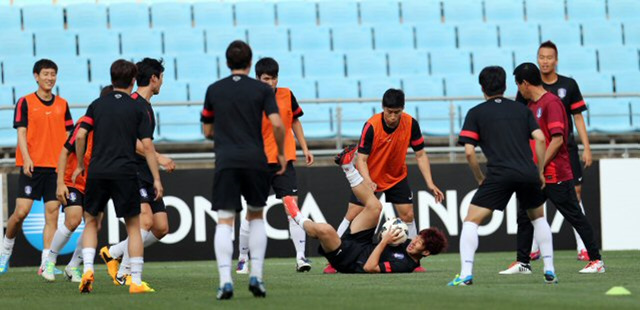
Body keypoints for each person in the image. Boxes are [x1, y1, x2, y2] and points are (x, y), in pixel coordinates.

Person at [448, 66, 557, 286]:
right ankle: (550, 269)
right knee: (538, 218)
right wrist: (540, 172)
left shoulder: (476, 113)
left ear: (482, 87)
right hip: (527, 172)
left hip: (499, 174)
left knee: (471, 220)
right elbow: (541, 139)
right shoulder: (522, 110)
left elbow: (469, 151)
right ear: (505, 85)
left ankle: (466, 273)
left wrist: (480, 177)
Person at [200, 41, 286, 300]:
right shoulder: (261, 90)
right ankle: (256, 277)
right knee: (256, 216)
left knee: (225, 220)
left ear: (227, 63)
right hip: (255, 159)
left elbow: (207, 131)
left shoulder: (214, 90)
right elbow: (277, 123)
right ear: (250, 64)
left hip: (226, 160)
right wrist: (281, 152)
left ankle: (225, 280)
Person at [325, 88, 444, 274]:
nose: (393, 117)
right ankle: (334, 260)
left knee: (408, 215)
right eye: (389, 112)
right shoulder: (371, 126)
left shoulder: (411, 123)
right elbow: (361, 159)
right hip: (370, 175)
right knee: (352, 214)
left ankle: (413, 261)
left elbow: (420, 155)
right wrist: (368, 180)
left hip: (397, 176)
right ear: (383, 108)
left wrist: (430, 182)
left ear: (402, 109)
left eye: (397, 112)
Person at [501, 63, 604, 275]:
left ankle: (596, 260)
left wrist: (539, 166)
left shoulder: (552, 103)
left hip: (554, 172)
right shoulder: (530, 106)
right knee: (524, 216)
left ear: (525, 83)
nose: (518, 90)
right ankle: (523, 263)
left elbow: (558, 140)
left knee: (574, 215)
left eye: (518, 85)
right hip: (535, 174)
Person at [72, 59, 163, 294]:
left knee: (91, 222)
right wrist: (156, 178)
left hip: (98, 171)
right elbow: (147, 146)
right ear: (133, 80)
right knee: (135, 228)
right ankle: (135, 282)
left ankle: (89, 269)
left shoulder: (97, 105)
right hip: (125, 172)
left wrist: (81, 164)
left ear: (111, 79)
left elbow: (81, 135)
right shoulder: (137, 107)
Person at [284, 145, 448, 274]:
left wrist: (384, 241)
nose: (414, 242)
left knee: (325, 230)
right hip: (362, 243)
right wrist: (387, 231)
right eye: (417, 237)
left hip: (348, 260)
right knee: (376, 206)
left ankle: (296, 215)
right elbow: (383, 236)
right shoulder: (406, 242)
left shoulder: (404, 264)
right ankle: (347, 165)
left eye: (420, 243)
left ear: (425, 253)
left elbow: (370, 267)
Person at [99, 58, 176, 286]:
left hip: (146, 172)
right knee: (144, 221)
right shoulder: (131, 103)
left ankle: (112, 252)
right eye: (161, 77)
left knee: (161, 227)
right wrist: (159, 158)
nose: (162, 82)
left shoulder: (146, 106)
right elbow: (130, 140)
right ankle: (125, 272)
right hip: (130, 171)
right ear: (154, 78)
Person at [514, 41, 592, 262]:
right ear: (537, 59)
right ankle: (534, 249)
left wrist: (587, 147)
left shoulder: (568, 85)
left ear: (556, 60)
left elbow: (577, 117)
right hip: (536, 153)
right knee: (534, 200)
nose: (545, 61)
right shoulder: (528, 87)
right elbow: (521, 118)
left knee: (573, 197)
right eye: (542, 57)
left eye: (549, 57)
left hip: (564, 150)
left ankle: (583, 248)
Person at [236, 57, 314, 274]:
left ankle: (301, 258)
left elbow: (295, 121)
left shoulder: (287, 95)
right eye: (266, 79)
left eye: (274, 78)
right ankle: (242, 258)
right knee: (252, 213)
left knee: (293, 210)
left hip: (285, 161)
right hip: (258, 164)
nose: (270, 83)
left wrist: (305, 148)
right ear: (257, 78)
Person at [0, 59, 74, 275]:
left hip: (55, 169)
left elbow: (69, 135)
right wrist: (27, 157)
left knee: (52, 215)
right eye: (46, 74)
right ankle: (5, 252)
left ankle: (46, 264)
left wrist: (67, 163)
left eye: (53, 74)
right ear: (36, 76)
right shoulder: (25, 102)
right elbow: (21, 132)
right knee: (20, 212)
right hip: (32, 166)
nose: (50, 78)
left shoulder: (62, 104)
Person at [40, 86, 114, 282]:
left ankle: (73, 267)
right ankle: (50, 261)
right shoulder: (85, 123)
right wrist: (59, 183)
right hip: (72, 180)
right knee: (73, 219)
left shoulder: (115, 126)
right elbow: (64, 152)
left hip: (95, 182)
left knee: (94, 224)